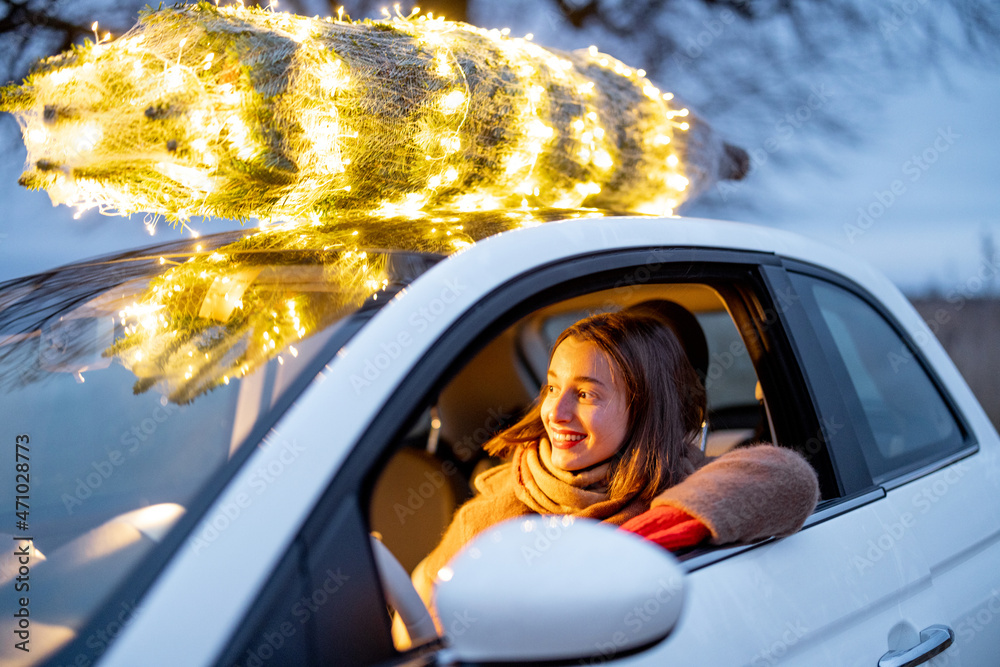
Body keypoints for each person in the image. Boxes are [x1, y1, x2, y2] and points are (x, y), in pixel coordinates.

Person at [409, 310, 819, 627]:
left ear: (644, 410)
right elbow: (425, 620)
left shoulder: (683, 480)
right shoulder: (490, 517)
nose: (557, 412)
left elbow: (788, 476)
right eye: (552, 387)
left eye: (586, 394)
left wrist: (636, 541)